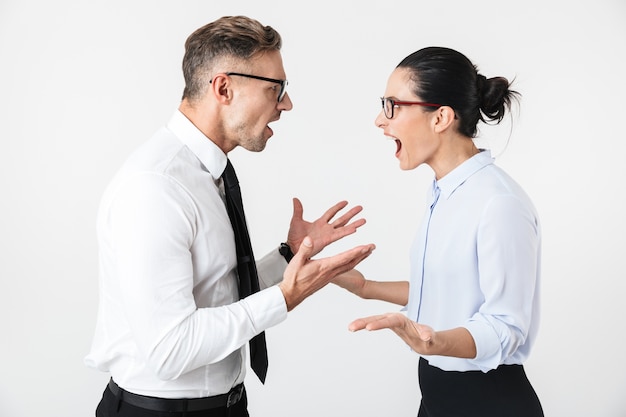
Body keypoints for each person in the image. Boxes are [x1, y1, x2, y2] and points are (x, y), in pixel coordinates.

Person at [85, 15, 375, 417]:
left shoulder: (206, 172)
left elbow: (217, 290)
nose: (286, 103)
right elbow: (170, 349)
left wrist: (288, 256)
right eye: (276, 88)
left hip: (225, 406)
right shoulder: (156, 187)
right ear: (224, 87)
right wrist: (283, 298)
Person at [333, 46, 543, 416]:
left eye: (392, 105)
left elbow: (507, 327)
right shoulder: (444, 192)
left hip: (487, 404)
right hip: (436, 400)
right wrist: (365, 288)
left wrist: (435, 343)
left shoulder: (499, 204)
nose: (380, 121)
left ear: (441, 117)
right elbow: (452, 291)